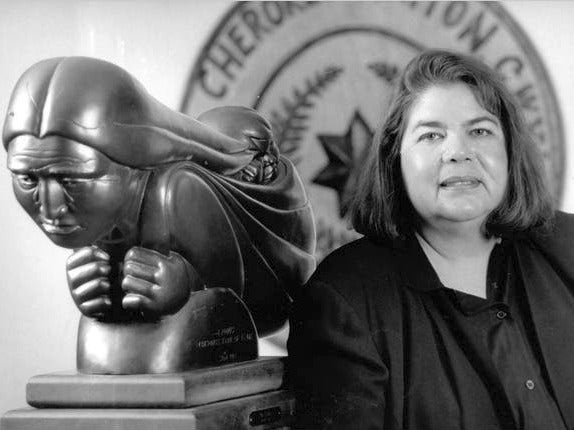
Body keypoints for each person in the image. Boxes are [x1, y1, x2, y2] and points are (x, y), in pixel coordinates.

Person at [287, 50, 574, 429]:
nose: (458, 152)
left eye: (480, 131)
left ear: (509, 150)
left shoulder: (567, 246)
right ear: (395, 157)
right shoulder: (343, 300)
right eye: (431, 135)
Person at [4, 57, 315, 336]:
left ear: (131, 165)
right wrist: (100, 298)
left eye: (72, 179)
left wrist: (189, 287)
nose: (51, 208)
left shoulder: (177, 191)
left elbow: (256, 312)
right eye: (28, 178)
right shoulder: (101, 207)